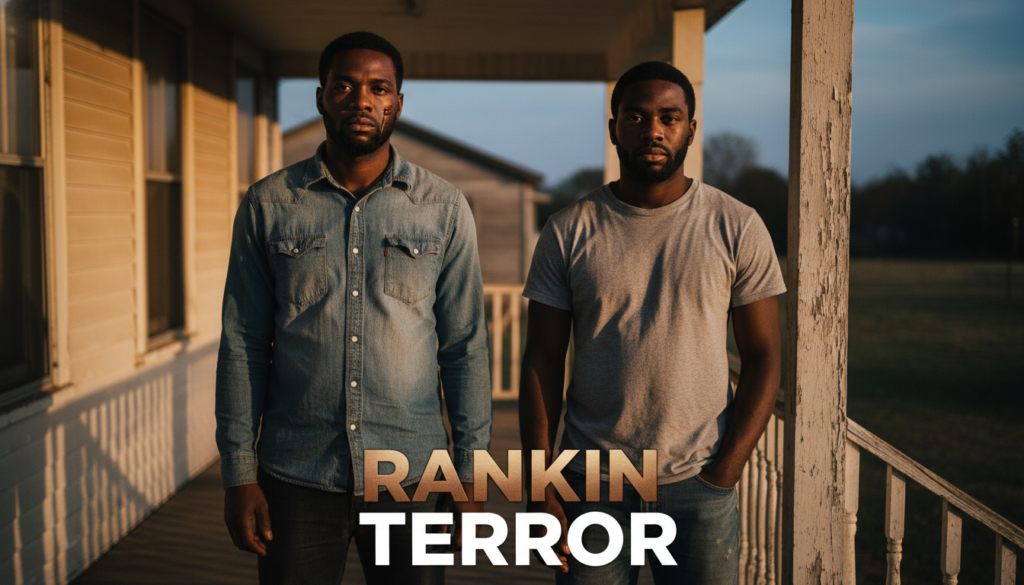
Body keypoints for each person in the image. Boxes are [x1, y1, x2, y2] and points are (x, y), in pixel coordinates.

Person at [215, 31, 490, 585]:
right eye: (344, 85)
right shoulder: (269, 204)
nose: (361, 100)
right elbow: (243, 343)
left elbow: (465, 349)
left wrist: (471, 475)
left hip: (412, 477)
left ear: (398, 103)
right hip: (295, 474)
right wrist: (239, 472)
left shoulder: (443, 208)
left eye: (378, 88)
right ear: (321, 98)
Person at [519, 61, 786, 584]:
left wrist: (724, 471)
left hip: (698, 482)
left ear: (691, 128)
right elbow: (542, 359)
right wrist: (538, 479)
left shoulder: (736, 225)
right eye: (636, 117)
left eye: (670, 117)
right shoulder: (568, 230)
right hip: (590, 481)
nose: (653, 130)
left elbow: (764, 357)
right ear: (614, 127)